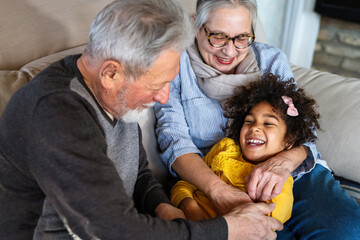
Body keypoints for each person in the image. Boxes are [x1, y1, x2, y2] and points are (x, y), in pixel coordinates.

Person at [0, 0, 284, 239]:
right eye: (157, 85)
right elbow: (116, 228)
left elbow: (138, 175)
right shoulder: (57, 113)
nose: (163, 98)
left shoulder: (115, 93)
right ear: (111, 74)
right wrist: (228, 229)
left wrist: (166, 209)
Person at [155, 0, 360, 238]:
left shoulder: (270, 60)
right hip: (219, 179)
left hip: (290, 173)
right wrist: (218, 191)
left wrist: (284, 162)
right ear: (196, 28)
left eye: (242, 38)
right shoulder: (175, 64)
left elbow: (304, 129)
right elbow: (174, 141)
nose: (229, 51)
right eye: (218, 37)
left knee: (350, 229)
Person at [171, 74, 322, 225]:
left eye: (268, 123)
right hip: (186, 224)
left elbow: (259, 225)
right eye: (249, 121)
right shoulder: (224, 148)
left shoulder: (277, 182)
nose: (255, 127)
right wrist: (190, 208)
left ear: (289, 139)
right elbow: (183, 184)